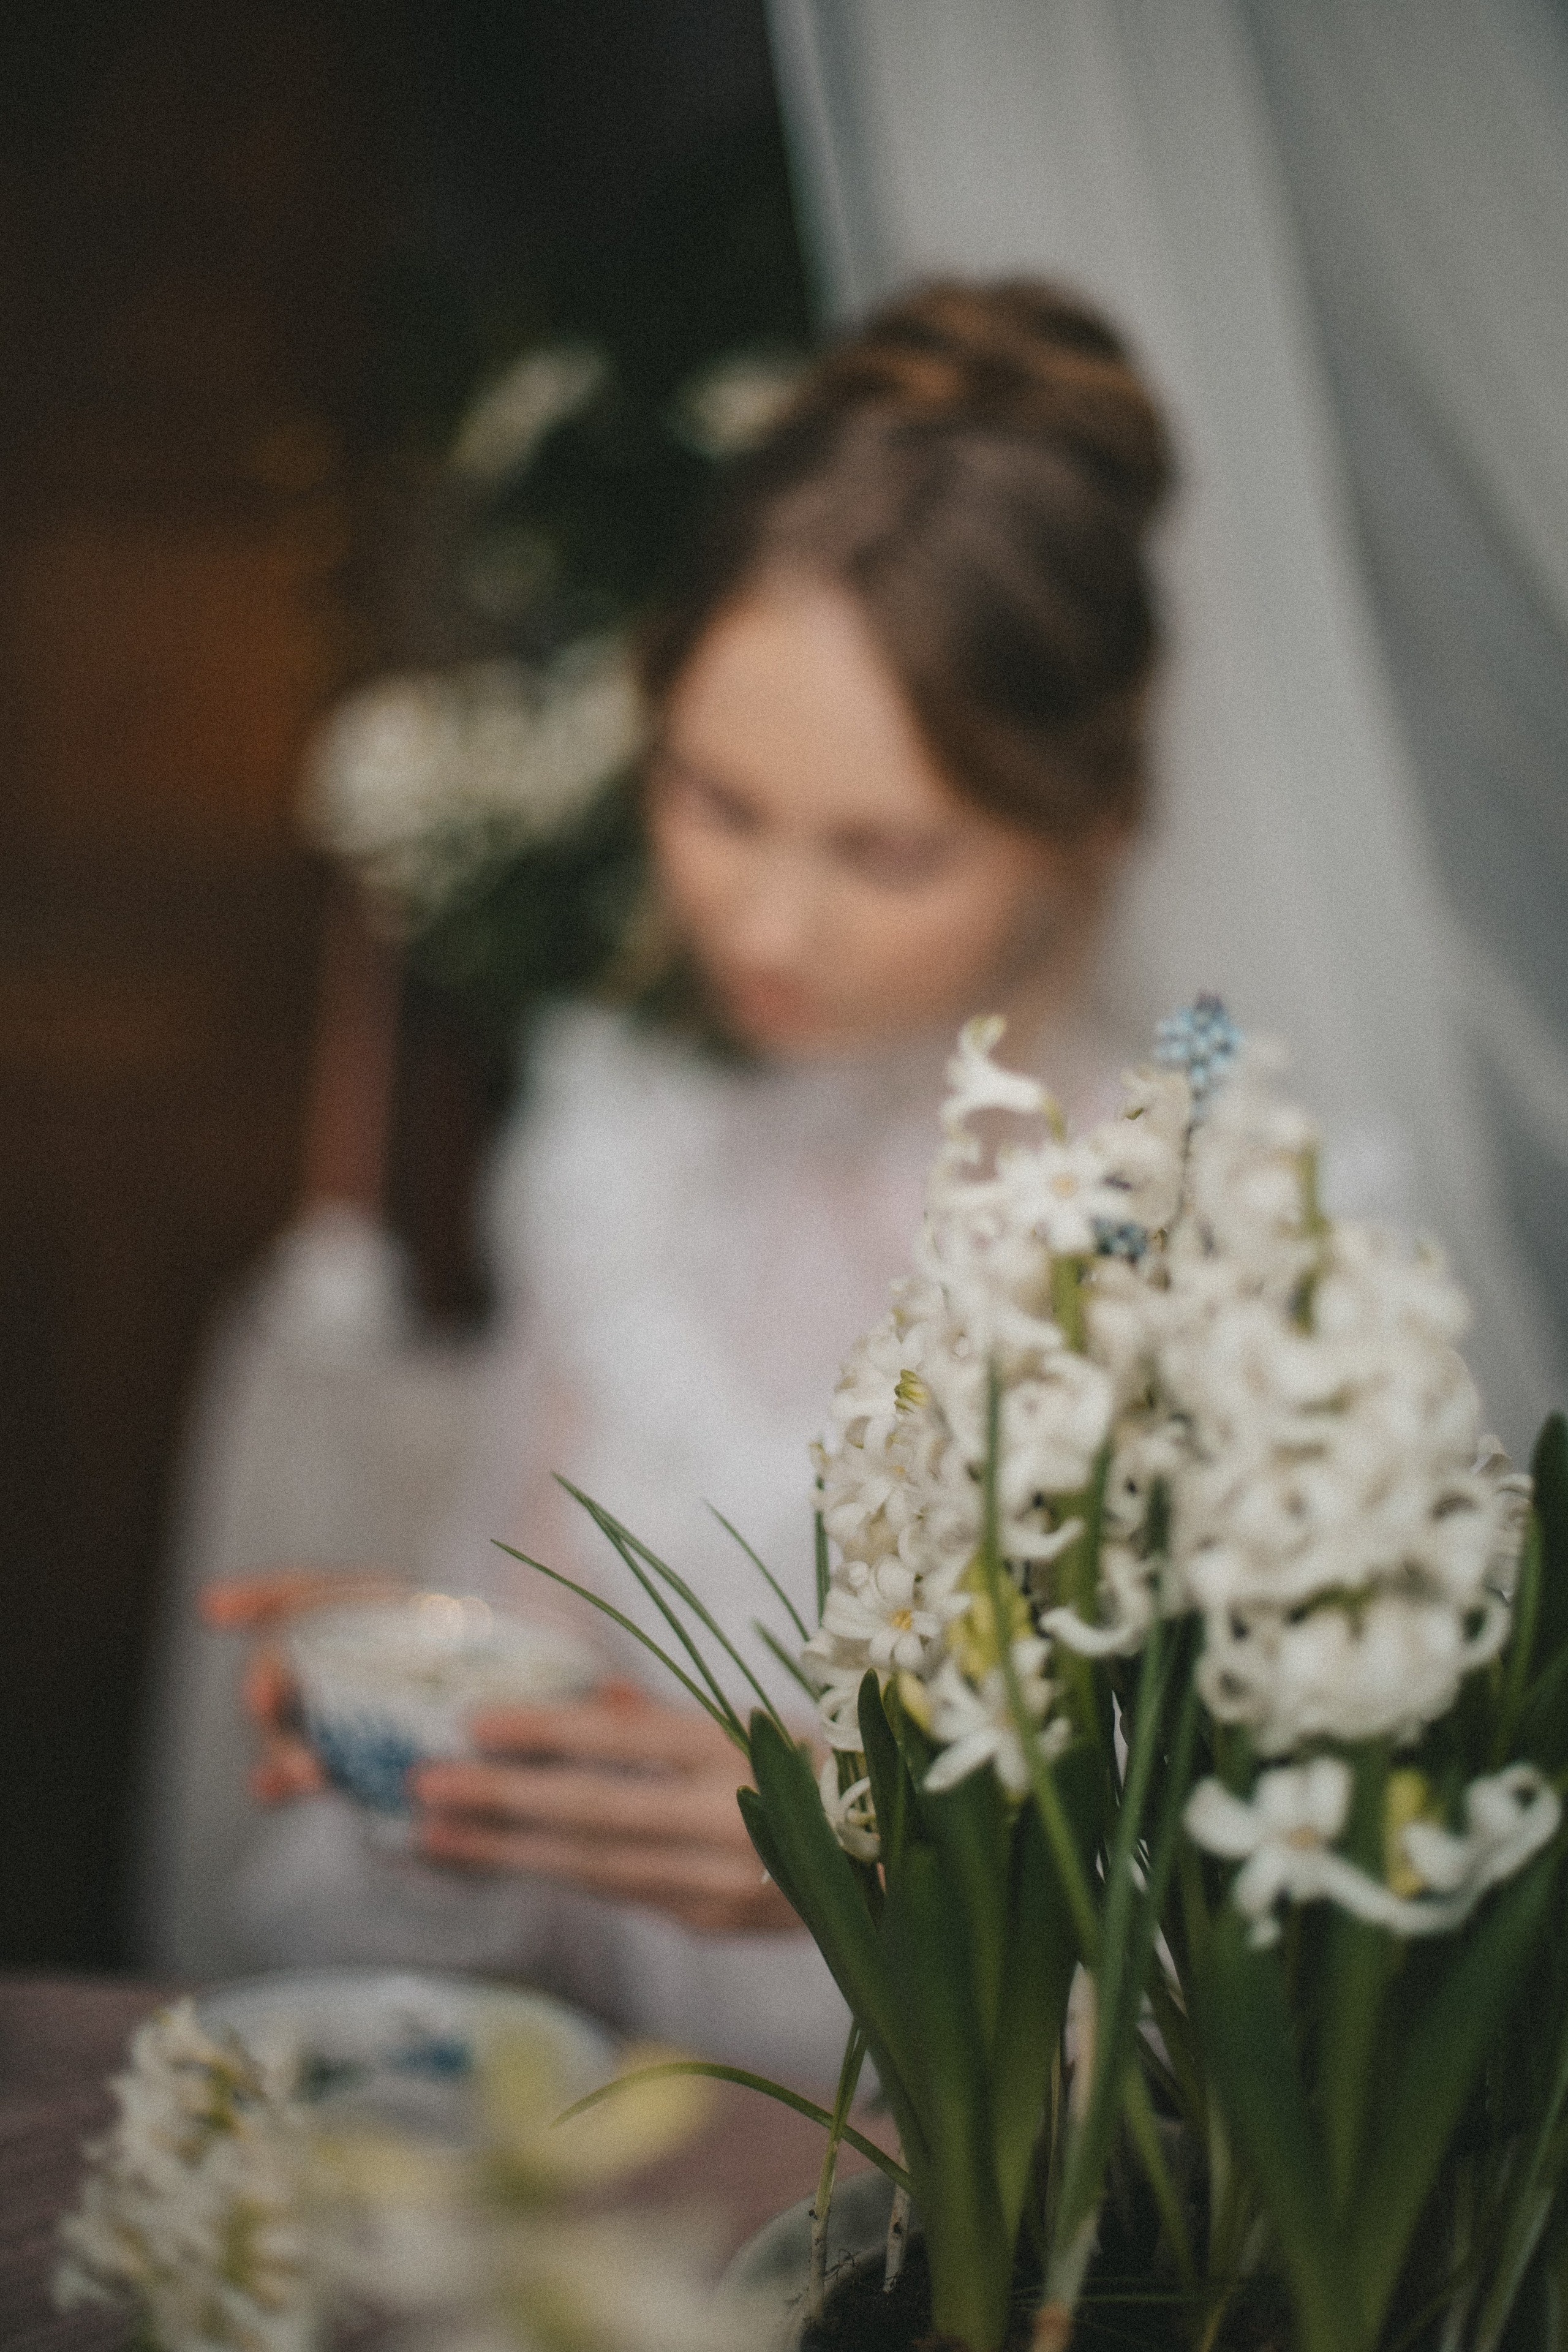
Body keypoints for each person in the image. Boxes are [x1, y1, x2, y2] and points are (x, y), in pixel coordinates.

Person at [203, 279, 1174, 2081]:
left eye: (886, 851)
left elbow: (1300, 1996)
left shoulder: (1212, 1236)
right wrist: (430, 1742)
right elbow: (542, 1673)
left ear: (1087, 821)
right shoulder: (622, 1134)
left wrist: (863, 1863)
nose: (766, 923)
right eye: (715, 801)